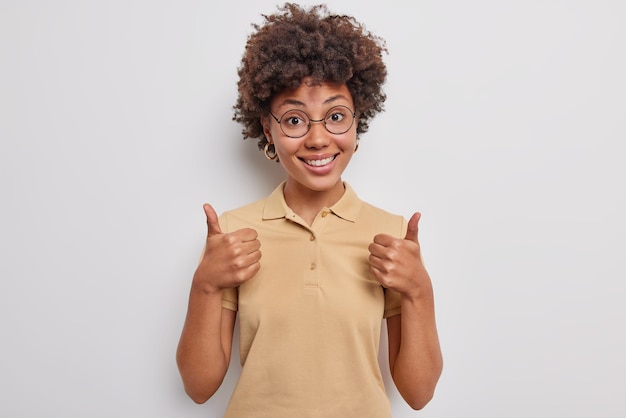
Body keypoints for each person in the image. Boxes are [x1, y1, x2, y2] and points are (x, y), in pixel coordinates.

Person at [176, 3, 443, 417]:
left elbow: (418, 393)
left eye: (335, 116)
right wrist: (205, 286)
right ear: (268, 128)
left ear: (358, 121)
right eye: (296, 120)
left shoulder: (390, 234)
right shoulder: (232, 232)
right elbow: (198, 387)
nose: (318, 139)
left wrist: (419, 291)